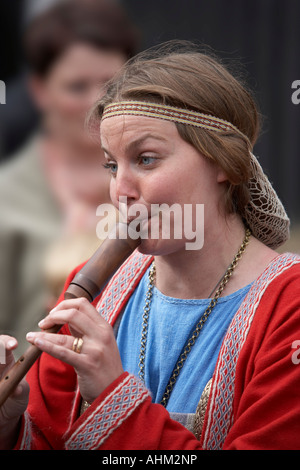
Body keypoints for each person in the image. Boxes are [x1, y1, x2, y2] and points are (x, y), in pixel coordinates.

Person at [1, 41, 300, 450]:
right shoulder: (93, 294)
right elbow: (46, 438)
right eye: (111, 164)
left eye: (146, 159)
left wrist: (112, 395)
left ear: (225, 163)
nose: (120, 191)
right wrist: (10, 424)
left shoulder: (289, 308)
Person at [0, 0, 138, 354]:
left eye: (110, 84)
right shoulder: (8, 197)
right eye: (76, 87)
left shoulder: (171, 183)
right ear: (39, 91)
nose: (97, 102)